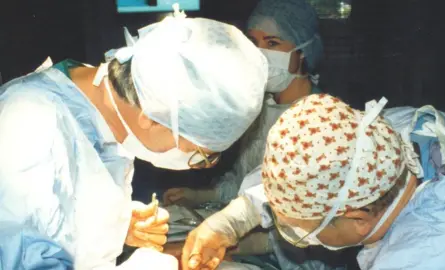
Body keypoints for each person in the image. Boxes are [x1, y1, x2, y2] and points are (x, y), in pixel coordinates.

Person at [0, 6, 268, 269]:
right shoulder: (29, 128)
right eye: (199, 152)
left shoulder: (112, 111)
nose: (194, 162)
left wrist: (114, 227)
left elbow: (58, 217)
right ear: (152, 118)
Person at [181, 94, 445, 270]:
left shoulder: (432, 257)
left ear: (357, 218)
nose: (292, 233)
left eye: (299, 231)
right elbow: (314, 171)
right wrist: (234, 219)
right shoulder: (386, 135)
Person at [164, 0, 323, 208]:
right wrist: (202, 195)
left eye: (272, 43)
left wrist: (256, 237)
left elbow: (300, 205)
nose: (260, 53)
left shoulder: (320, 120)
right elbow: (243, 180)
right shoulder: (259, 106)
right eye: (253, 43)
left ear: (303, 51)